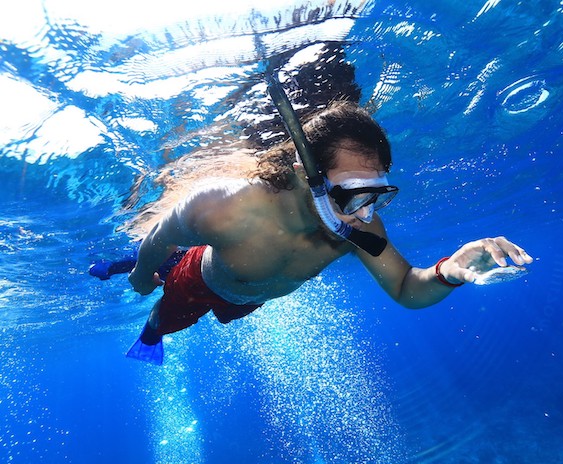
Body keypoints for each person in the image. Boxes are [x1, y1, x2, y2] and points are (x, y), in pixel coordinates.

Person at [122, 101, 533, 365]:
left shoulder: (360, 223)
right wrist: (142, 280)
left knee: (228, 317)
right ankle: (151, 320)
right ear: (305, 176)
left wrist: (450, 270)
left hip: (252, 294)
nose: (364, 213)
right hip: (200, 280)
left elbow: (407, 289)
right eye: (353, 195)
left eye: (377, 195)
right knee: (166, 320)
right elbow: (158, 237)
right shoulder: (225, 208)